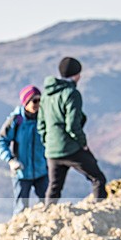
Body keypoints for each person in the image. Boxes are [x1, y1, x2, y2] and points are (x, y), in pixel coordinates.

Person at [38, 57, 107, 202]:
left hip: (52, 150)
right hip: (70, 148)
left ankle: (48, 217)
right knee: (98, 179)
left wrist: (48, 143)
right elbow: (72, 126)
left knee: (54, 187)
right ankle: (100, 212)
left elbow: (41, 125)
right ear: (76, 75)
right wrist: (83, 144)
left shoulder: (46, 95)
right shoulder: (72, 94)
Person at [0, 85, 48, 215]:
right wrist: (11, 160)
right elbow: (0, 142)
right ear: (25, 102)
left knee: (48, 206)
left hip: (42, 170)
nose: (37, 104)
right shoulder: (16, 120)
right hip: (21, 172)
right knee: (21, 210)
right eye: (34, 100)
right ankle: (21, 235)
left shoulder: (44, 119)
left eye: (40, 100)